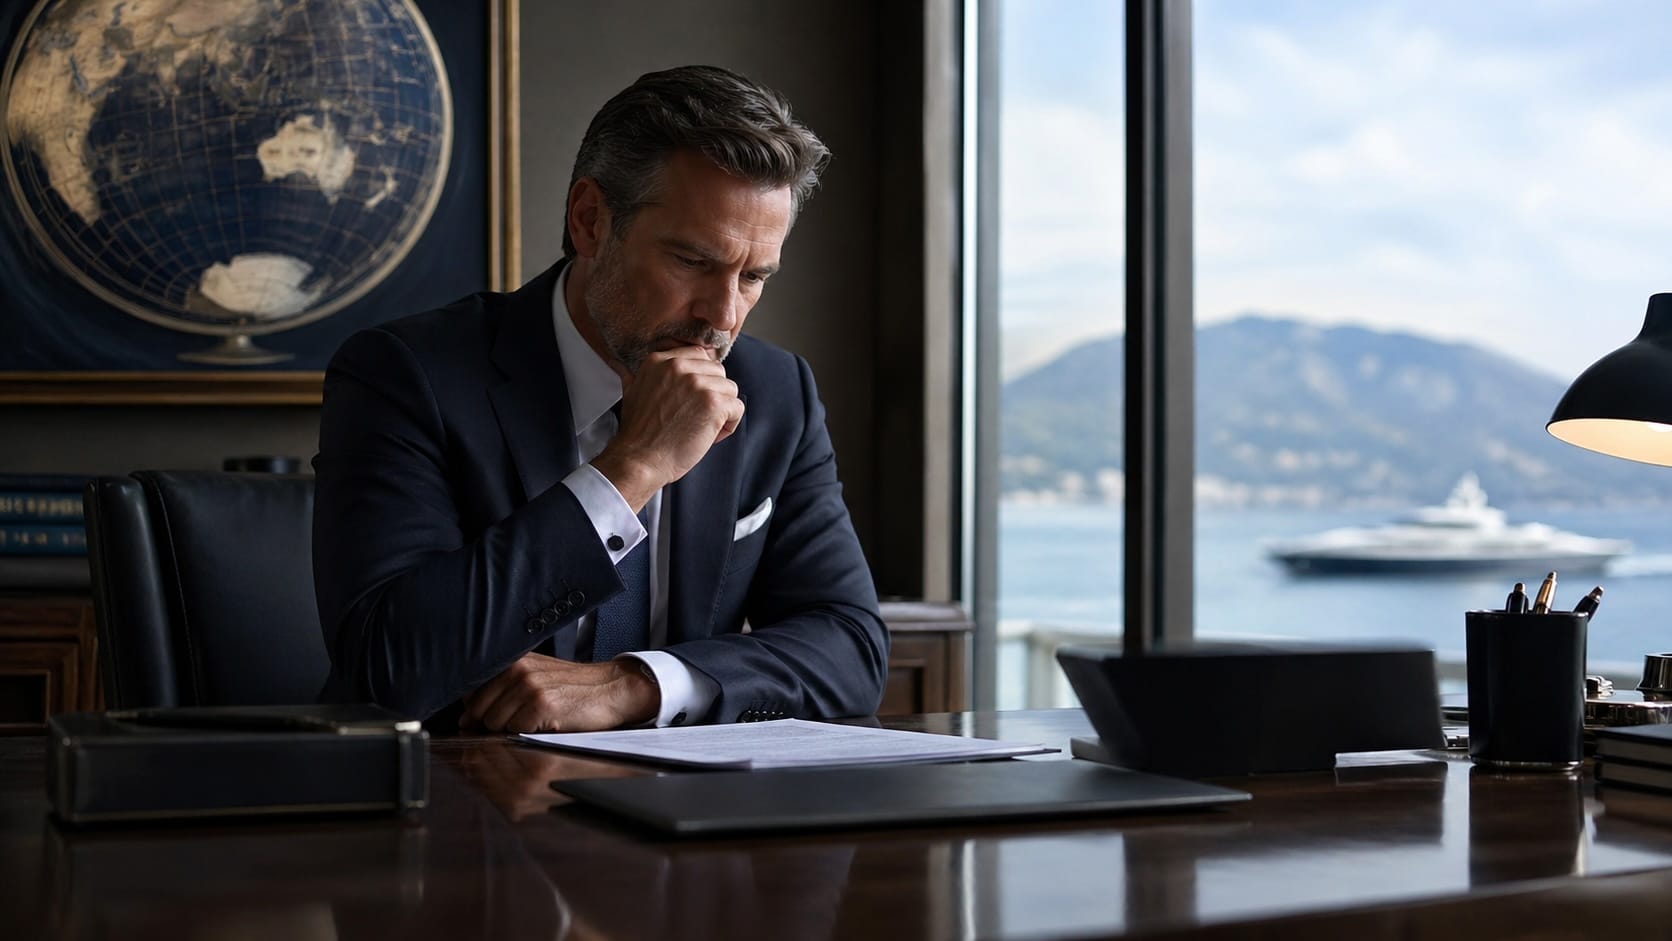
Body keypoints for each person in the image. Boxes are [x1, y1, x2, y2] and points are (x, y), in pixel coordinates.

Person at [311, 65, 888, 732]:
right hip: (457, 805)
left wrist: (637, 684)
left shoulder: (775, 392)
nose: (724, 314)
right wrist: (632, 467)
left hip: (686, 816)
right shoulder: (406, 375)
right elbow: (387, 669)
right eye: (693, 261)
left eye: (754, 275)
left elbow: (852, 649)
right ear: (589, 222)